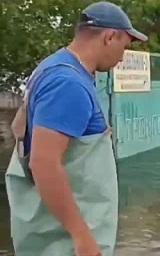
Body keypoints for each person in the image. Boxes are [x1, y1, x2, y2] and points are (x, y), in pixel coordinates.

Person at [5, 2, 147, 256]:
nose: (123, 56)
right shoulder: (68, 84)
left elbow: (22, 130)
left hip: (49, 235)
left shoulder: (53, 67)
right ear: (109, 36)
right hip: (64, 243)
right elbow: (43, 163)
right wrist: (82, 237)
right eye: (124, 46)